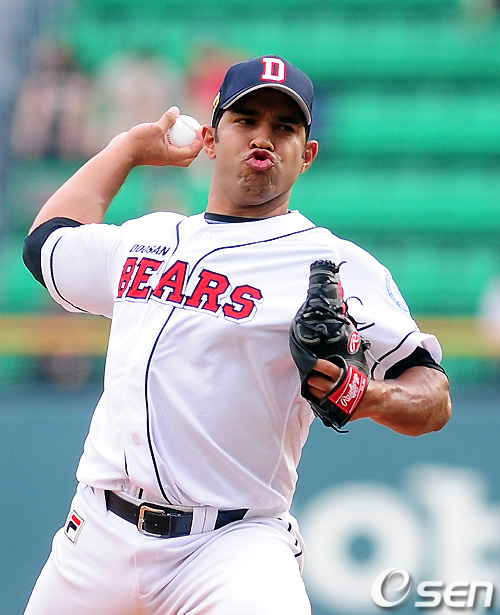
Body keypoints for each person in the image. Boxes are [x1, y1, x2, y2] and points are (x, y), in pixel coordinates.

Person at [22, 55, 452, 615]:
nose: (263, 138)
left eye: (284, 127)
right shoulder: (146, 238)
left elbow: (433, 397)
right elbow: (47, 244)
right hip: (98, 531)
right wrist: (126, 150)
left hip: (230, 544)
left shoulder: (330, 262)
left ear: (306, 155)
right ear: (210, 139)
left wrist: (368, 395)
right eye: (246, 120)